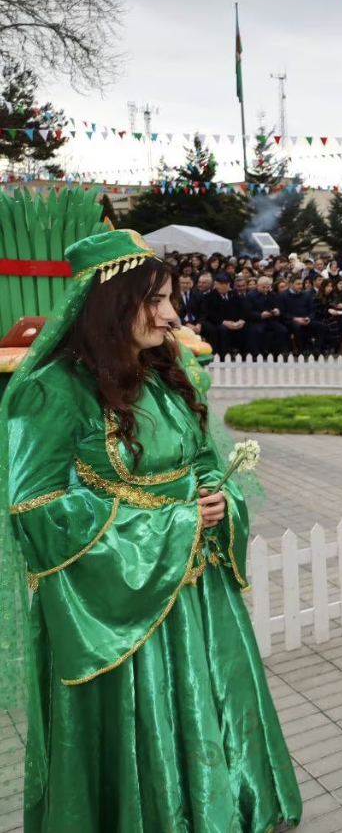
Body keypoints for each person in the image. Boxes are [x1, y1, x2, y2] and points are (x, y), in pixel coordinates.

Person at [0, 230, 302, 831]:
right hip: (116, 605)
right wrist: (174, 522)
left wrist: (219, 496)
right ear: (109, 304)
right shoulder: (52, 390)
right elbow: (35, 510)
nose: (171, 316)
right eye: (154, 300)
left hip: (197, 593)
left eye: (170, 299)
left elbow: (201, 458)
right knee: (147, 717)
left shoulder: (166, 373)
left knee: (208, 701)